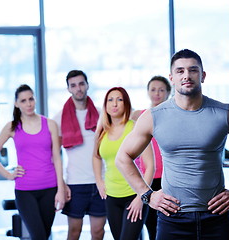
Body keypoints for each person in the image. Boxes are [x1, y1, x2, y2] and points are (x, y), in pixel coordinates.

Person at [115, 49, 229, 240]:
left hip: (216, 216)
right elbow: (123, 157)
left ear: (203, 75)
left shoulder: (226, 113)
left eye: (193, 70)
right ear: (172, 78)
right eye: (180, 71)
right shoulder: (153, 117)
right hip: (172, 218)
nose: (186, 75)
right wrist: (147, 195)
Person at [0, 84, 65, 240]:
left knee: (44, 235)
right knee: (39, 236)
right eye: (23, 101)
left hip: (50, 188)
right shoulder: (12, 127)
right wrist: (8, 175)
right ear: (16, 103)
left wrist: (61, 190)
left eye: (31, 99)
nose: (28, 104)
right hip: (25, 191)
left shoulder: (50, 124)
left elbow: (57, 158)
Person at [93, 87, 155, 240]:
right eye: (110, 100)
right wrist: (99, 181)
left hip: (134, 195)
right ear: (105, 105)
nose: (114, 104)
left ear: (126, 104)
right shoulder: (102, 131)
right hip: (112, 197)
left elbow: (150, 166)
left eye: (119, 99)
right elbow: (96, 156)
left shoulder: (135, 127)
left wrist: (142, 197)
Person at [54, 70, 106, 240]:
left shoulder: (101, 114)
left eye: (81, 84)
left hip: (100, 182)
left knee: (98, 233)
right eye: (73, 85)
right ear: (68, 89)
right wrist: (61, 184)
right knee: (74, 232)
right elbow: (54, 155)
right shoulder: (59, 118)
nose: (78, 88)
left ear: (87, 85)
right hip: (75, 183)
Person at [131, 75, 171, 240]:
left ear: (168, 93)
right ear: (147, 92)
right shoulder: (137, 116)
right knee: (140, 224)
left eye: (161, 90)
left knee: (160, 227)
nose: (157, 93)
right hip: (144, 178)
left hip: (166, 178)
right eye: (153, 90)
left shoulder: (172, 115)